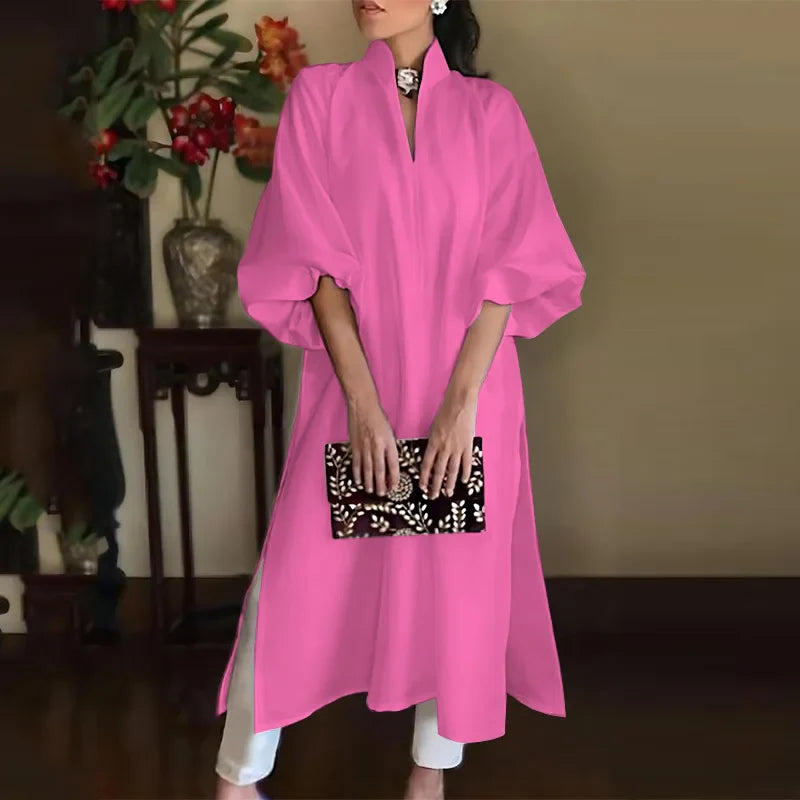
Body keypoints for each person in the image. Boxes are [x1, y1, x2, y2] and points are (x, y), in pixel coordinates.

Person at [215, 0, 585, 797]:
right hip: (356, 382)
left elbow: (513, 270)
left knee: (458, 590)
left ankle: (429, 778)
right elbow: (313, 264)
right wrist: (362, 403)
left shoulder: (491, 113)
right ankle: (238, 781)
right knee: (293, 582)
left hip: (470, 392)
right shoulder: (320, 99)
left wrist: (460, 405)